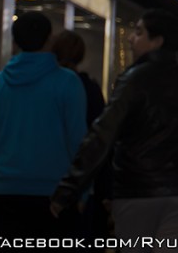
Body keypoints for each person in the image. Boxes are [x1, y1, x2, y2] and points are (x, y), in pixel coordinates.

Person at [51, 10, 178, 252]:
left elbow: (102, 135)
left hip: (137, 190)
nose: (130, 39)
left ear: (157, 41)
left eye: (138, 32)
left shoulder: (134, 79)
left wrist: (68, 189)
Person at [0, 13, 86, 238]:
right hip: (54, 195)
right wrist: (82, 192)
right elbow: (78, 141)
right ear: (50, 40)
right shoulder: (68, 82)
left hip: (5, 192)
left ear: (14, 41)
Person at [51, 29, 109, 239]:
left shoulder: (46, 85)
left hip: (45, 179)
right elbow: (97, 139)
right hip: (80, 181)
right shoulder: (89, 89)